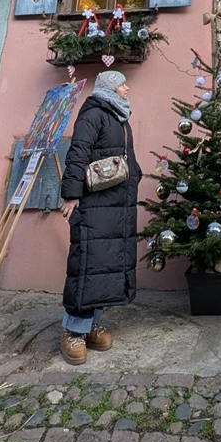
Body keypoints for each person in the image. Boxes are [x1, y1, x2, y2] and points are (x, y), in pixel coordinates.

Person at [58, 70, 141, 365]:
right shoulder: (94, 114)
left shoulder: (118, 115)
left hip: (115, 204)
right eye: (122, 84)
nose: (127, 88)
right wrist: (71, 194)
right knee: (87, 263)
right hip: (95, 203)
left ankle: (90, 324)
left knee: (104, 265)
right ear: (109, 88)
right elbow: (77, 153)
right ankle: (72, 330)